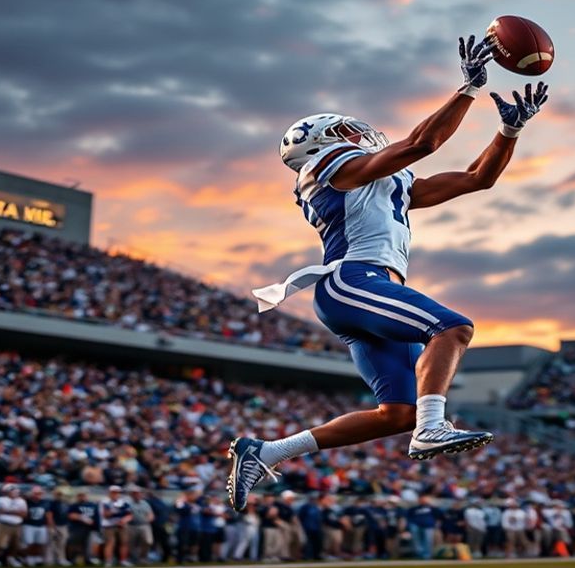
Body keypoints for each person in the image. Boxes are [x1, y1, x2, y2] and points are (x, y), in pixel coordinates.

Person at [228, 35, 549, 510]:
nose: (359, 134)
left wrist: (509, 132)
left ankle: (268, 451)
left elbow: (477, 178)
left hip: (365, 292)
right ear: (324, 142)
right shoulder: (328, 168)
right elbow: (423, 142)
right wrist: (467, 88)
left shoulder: (380, 182)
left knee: (396, 413)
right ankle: (433, 427)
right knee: (454, 327)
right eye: (346, 131)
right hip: (353, 281)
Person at [0, 484, 27, 568]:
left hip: (17, 525)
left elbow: (24, 514)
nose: (16, 493)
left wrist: (6, 511)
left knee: (15, 545)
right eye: (13, 491)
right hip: (3, 524)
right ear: (6, 492)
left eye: (16, 491)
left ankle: (11, 559)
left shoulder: (21, 501)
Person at [100, 485, 133, 567]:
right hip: (109, 525)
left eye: (117, 492)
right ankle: (108, 561)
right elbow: (106, 515)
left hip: (121, 524)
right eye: (114, 492)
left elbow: (130, 514)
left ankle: (123, 560)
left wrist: (124, 520)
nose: (115, 494)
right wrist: (117, 512)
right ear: (110, 493)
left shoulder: (123, 502)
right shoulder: (105, 501)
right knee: (110, 543)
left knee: (124, 542)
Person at [66, 491, 98, 565]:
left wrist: (95, 525)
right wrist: (82, 518)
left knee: (88, 545)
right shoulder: (74, 505)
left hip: (89, 528)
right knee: (75, 544)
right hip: (77, 528)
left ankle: (88, 559)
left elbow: (96, 516)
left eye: (83, 495)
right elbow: (70, 515)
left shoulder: (92, 505)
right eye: (80, 496)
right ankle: (73, 559)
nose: (82, 497)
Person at [22, 486, 49, 566]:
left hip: (41, 525)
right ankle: (28, 557)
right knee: (29, 543)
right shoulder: (27, 501)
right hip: (29, 525)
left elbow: (47, 514)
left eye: (39, 493)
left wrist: (49, 526)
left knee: (39, 543)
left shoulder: (45, 502)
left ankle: (36, 557)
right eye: (36, 493)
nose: (38, 495)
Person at [127, 486, 154, 565]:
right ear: (132, 495)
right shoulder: (128, 503)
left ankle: (143, 557)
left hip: (144, 525)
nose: (137, 495)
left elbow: (150, 514)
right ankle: (134, 559)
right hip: (132, 525)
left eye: (138, 493)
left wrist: (149, 519)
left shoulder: (145, 503)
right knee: (132, 543)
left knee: (148, 541)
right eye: (135, 493)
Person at [47, 488, 71, 566]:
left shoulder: (65, 503)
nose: (59, 496)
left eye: (60, 494)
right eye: (57, 494)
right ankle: (50, 560)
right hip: (55, 525)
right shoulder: (52, 503)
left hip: (63, 525)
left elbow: (67, 514)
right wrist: (52, 526)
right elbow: (49, 515)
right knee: (52, 543)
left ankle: (61, 559)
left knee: (62, 543)